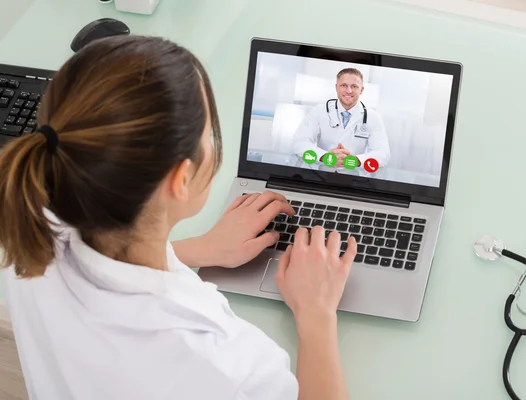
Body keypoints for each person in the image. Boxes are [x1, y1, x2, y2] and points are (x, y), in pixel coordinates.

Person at [0, 35, 357, 400]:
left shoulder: (27, 225)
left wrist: (195, 250)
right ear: (181, 179)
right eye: (209, 136)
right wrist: (316, 315)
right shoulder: (224, 365)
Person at [292, 68, 391, 169]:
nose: (348, 91)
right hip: (322, 173)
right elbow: (299, 143)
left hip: (354, 176)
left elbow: (383, 154)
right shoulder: (318, 111)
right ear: (336, 87)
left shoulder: (373, 117)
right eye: (344, 85)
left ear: (361, 90)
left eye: (354, 86)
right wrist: (326, 157)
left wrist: (354, 161)